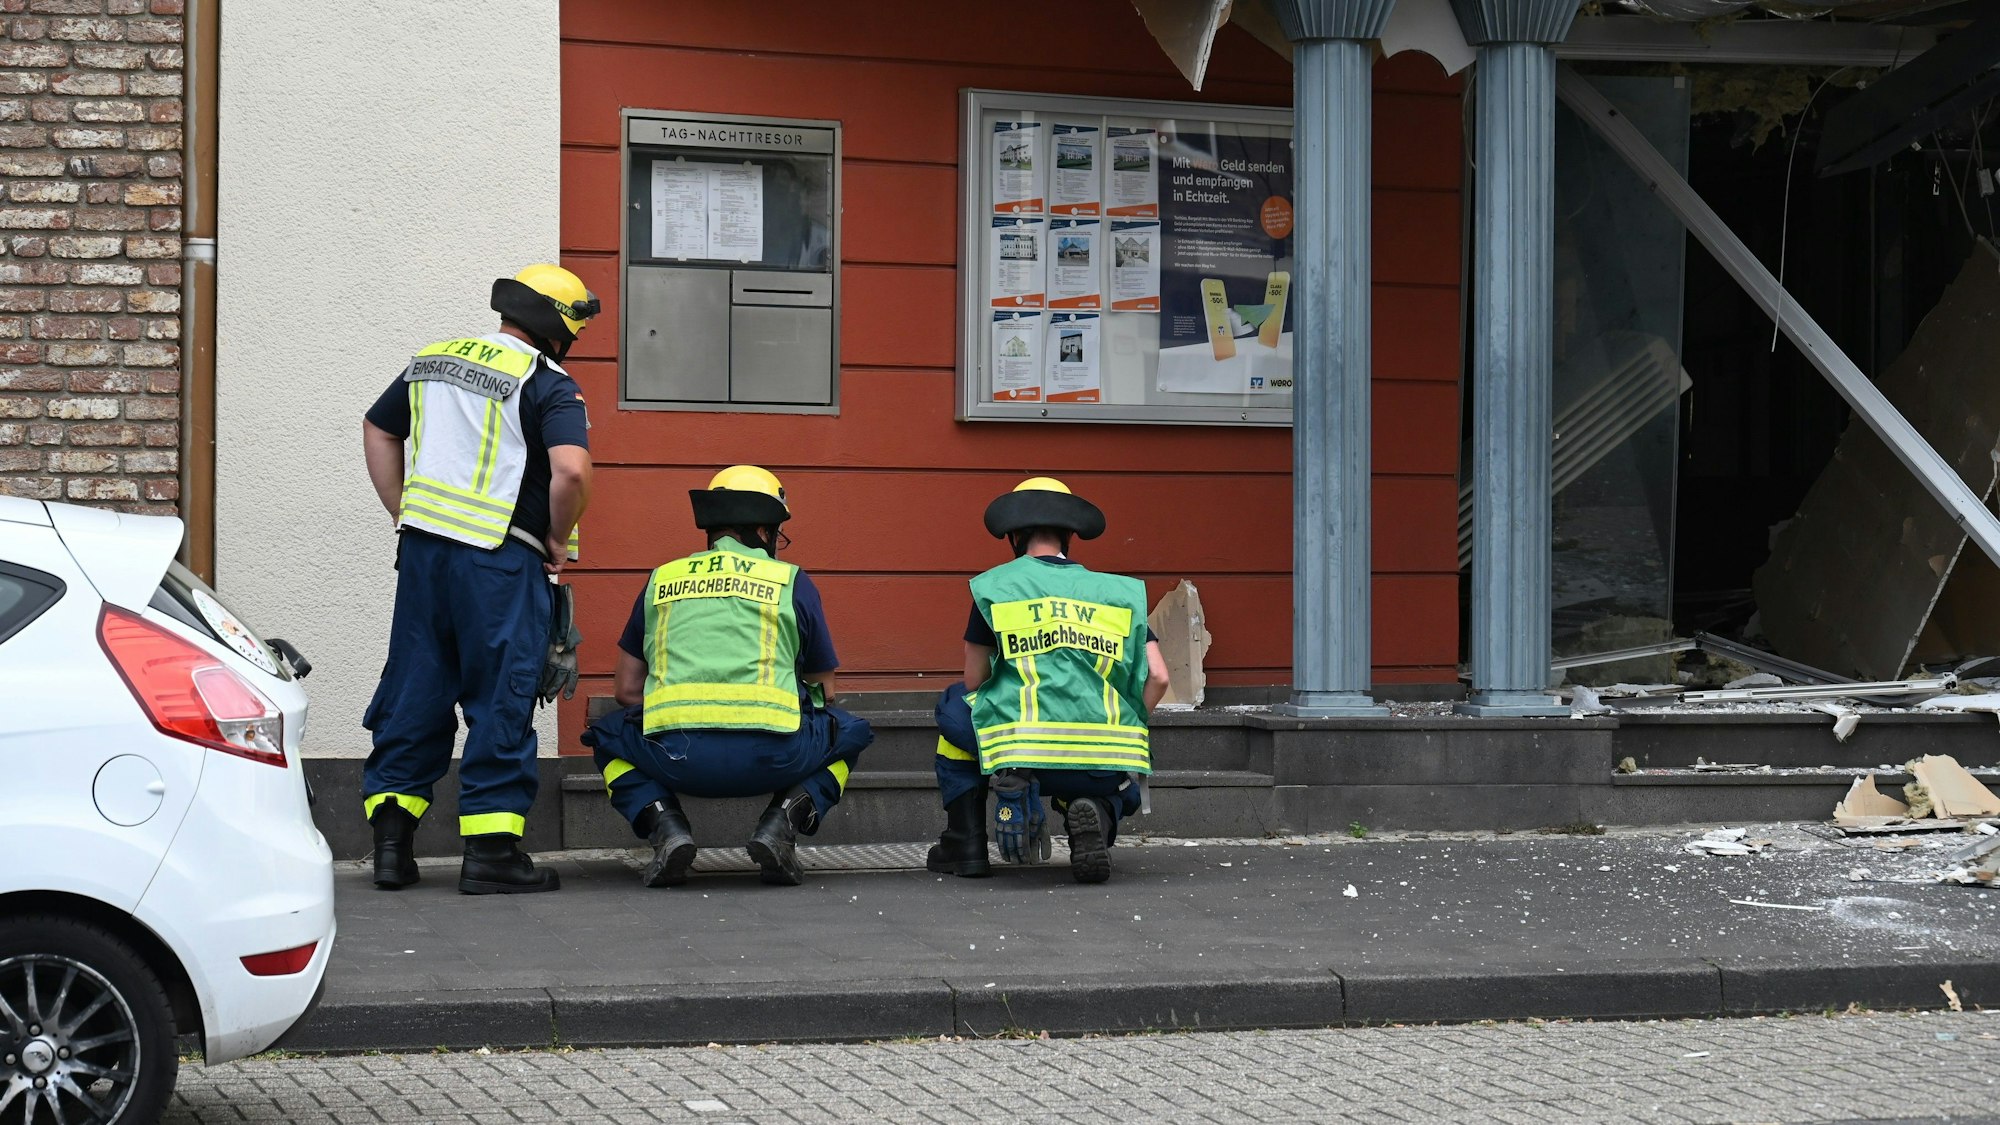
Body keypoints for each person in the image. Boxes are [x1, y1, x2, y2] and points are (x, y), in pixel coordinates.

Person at [359, 263, 599, 895]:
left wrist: (401, 509)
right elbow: (570, 472)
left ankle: (391, 847)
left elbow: (380, 428)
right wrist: (556, 535)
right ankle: (490, 855)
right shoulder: (547, 382)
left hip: (423, 556)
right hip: (499, 560)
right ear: (558, 325)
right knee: (502, 694)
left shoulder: (432, 361)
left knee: (416, 686)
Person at [582, 466, 874, 887]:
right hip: (775, 756)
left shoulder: (662, 579)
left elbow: (625, 690)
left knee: (604, 736)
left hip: (675, 757)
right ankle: (782, 823)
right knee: (851, 731)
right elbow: (826, 691)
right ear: (763, 530)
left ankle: (665, 826)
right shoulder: (791, 581)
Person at [927, 478, 1170, 884]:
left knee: (954, 705)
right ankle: (1096, 811)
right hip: (1100, 757)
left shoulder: (998, 587)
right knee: (1114, 783)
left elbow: (975, 680)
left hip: (1021, 753)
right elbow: (1160, 676)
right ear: (1070, 536)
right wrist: (1129, 723)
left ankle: (965, 843)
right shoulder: (1117, 593)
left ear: (1015, 537)